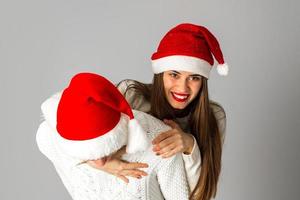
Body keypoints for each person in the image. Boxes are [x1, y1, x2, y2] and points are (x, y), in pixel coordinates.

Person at [90, 23, 228, 200]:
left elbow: (200, 195)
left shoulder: (213, 117)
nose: (182, 87)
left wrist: (189, 146)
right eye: (174, 74)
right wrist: (105, 165)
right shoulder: (131, 96)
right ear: (160, 73)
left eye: (194, 78)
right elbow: (80, 145)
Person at [36, 73, 189, 200]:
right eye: (90, 154)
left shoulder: (160, 142)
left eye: (103, 152)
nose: (101, 162)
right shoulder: (49, 138)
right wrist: (94, 163)